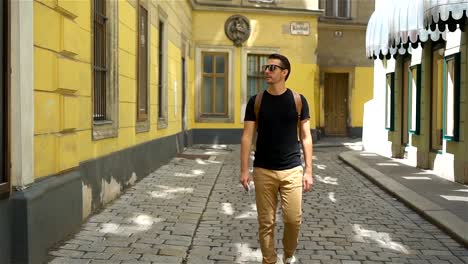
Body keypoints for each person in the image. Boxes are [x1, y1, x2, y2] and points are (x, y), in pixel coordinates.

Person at [240, 53, 313, 264]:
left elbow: (306, 137)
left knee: (293, 220)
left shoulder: (298, 101)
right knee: (266, 222)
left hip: (292, 169)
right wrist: (244, 170)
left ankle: (288, 254)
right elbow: (246, 137)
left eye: (272, 68)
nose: (267, 71)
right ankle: (269, 260)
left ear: (284, 72)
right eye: (266, 67)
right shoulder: (256, 101)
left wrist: (308, 170)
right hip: (263, 170)